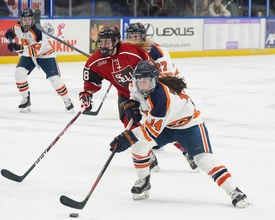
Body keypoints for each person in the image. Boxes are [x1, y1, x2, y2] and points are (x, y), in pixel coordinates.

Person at [109, 60, 252, 208]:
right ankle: (144, 181)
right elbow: (135, 98)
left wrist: (128, 138)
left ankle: (234, 191)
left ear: (154, 81)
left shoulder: (163, 99)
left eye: (145, 82)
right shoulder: (135, 86)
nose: (141, 86)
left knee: (203, 160)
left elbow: (149, 132)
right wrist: (133, 105)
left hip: (189, 126)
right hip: (167, 126)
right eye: (138, 81)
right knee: (139, 146)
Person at [78, 25, 160, 171]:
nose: (104, 46)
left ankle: (186, 151)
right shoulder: (95, 60)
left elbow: (151, 69)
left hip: (147, 91)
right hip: (125, 95)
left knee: (164, 122)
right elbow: (90, 81)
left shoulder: (132, 51)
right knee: (129, 122)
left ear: (116, 41)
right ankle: (146, 153)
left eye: (107, 42)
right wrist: (87, 94)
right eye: (101, 42)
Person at [125, 22, 198, 171]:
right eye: (130, 36)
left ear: (143, 36)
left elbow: (167, 79)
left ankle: (186, 151)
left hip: (163, 90)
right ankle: (147, 154)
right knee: (134, 118)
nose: (133, 39)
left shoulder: (156, 51)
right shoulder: (127, 52)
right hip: (142, 89)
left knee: (170, 123)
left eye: (136, 36)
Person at [5, 8, 74, 113]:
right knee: (19, 73)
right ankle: (26, 99)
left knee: (55, 80)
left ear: (32, 20)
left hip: (45, 55)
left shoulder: (38, 31)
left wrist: (17, 47)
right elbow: (9, 32)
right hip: (28, 54)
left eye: (29, 19)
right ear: (20, 20)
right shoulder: (17, 27)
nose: (26, 21)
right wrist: (10, 38)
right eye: (24, 19)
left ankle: (67, 101)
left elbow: (36, 51)